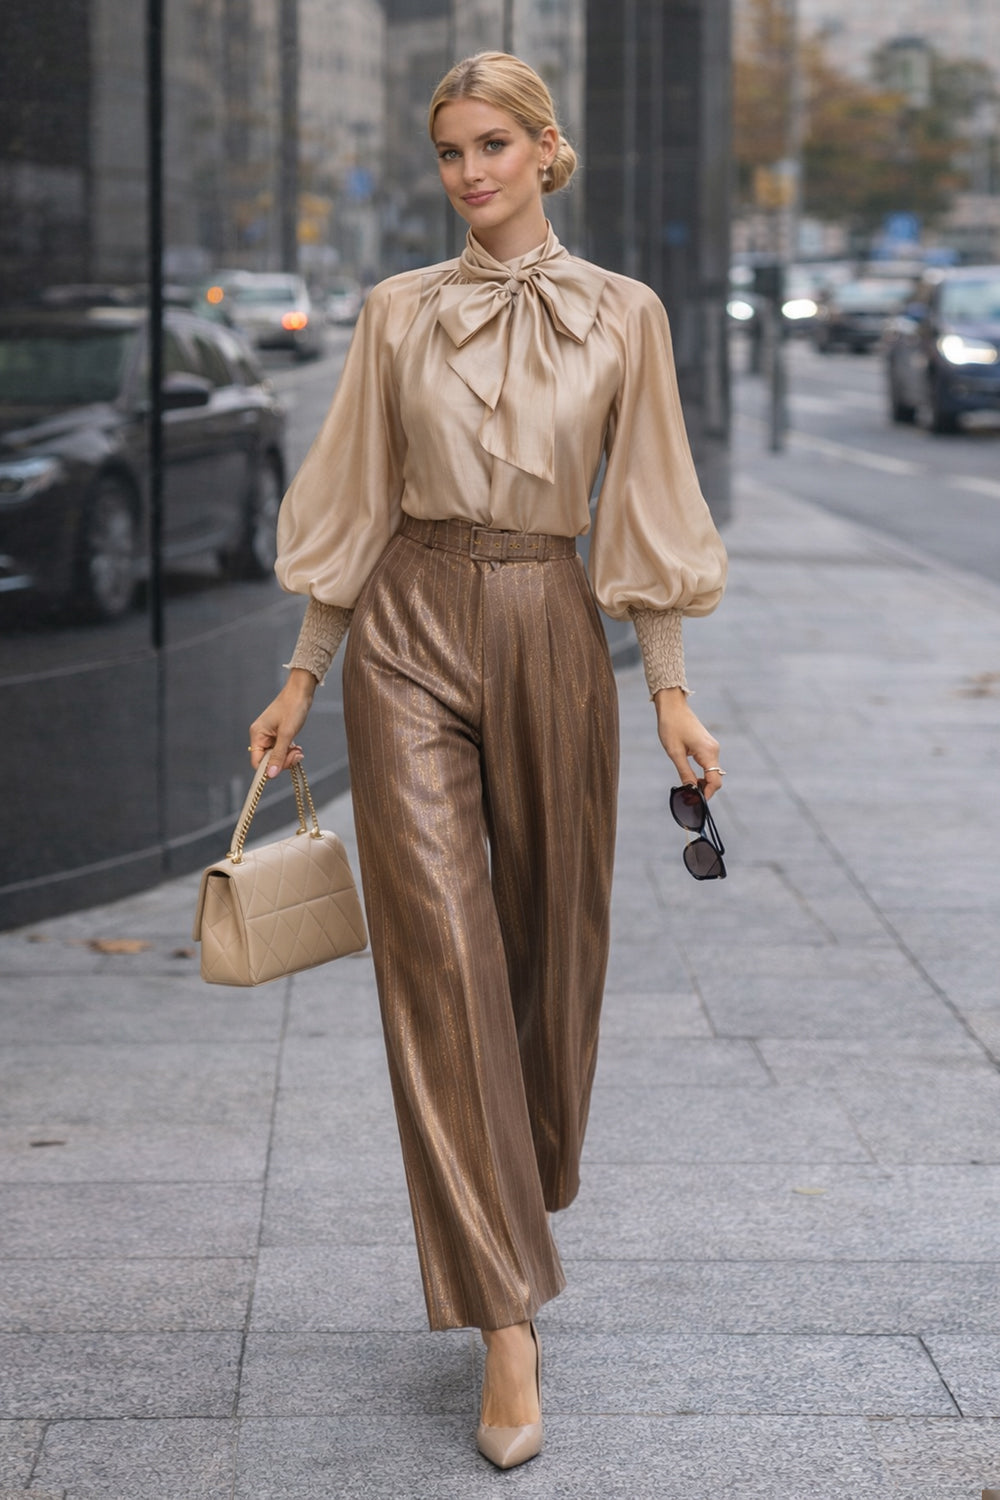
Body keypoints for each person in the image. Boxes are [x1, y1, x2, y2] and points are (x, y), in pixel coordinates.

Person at [249, 51, 727, 1471]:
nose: (470, 172)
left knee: (545, 961)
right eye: (450, 150)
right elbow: (353, 507)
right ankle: (506, 1321)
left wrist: (674, 698)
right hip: (401, 631)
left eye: (494, 144)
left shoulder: (625, 316)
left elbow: (645, 514)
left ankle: (521, 1190)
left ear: (546, 149)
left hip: (550, 624)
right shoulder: (396, 314)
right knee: (439, 959)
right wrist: (300, 674)